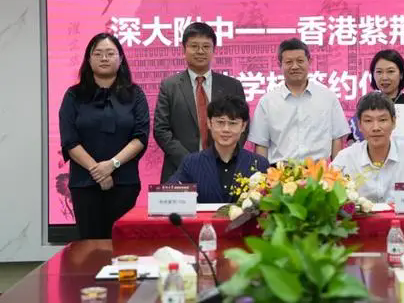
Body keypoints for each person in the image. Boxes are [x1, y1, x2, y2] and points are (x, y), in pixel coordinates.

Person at [59, 33, 149, 239]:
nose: (104, 58)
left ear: (121, 58)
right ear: (89, 60)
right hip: (84, 184)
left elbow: (140, 137)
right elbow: (70, 140)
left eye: (110, 53)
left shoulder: (135, 94)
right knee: (90, 244)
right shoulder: (73, 95)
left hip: (124, 183)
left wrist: (112, 165)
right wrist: (97, 170)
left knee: (122, 243)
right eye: (98, 54)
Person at [154, 22, 246, 183]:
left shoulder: (232, 86)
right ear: (183, 50)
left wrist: (224, 157)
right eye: (194, 46)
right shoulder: (169, 86)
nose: (200, 51)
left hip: (224, 169)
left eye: (206, 46)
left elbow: (242, 126)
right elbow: (161, 130)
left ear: (214, 50)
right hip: (180, 170)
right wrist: (191, 162)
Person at [332, 92, 404, 204]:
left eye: (382, 120)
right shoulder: (345, 158)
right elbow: (326, 191)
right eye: (368, 121)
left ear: (394, 122)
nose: (376, 128)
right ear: (359, 125)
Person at [248, 38, 350, 163]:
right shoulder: (267, 102)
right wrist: (262, 173)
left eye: (300, 61)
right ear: (280, 65)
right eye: (289, 62)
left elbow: (337, 140)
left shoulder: (328, 98)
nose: (295, 66)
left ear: (309, 61)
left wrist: (336, 171)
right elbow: (261, 145)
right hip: (280, 172)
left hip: (319, 172)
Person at [167, 95, 269, 203]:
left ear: (243, 126)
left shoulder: (259, 164)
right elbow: (168, 196)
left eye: (233, 123)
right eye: (220, 122)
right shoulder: (191, 163)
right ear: (209, 123)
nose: (226, 129)